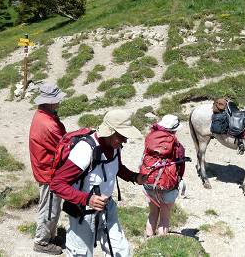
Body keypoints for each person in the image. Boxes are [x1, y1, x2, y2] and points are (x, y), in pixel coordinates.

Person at [49, 109, 144, 257]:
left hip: (107, 206)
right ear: (110, 132)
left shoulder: (115, 146)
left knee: (121, 252)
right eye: (121, 136)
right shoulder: (85, 150)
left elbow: (116, 167)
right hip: (83, 211)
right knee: (81, 254)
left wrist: (135, 177)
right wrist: (87, 199)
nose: (125, 141)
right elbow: (57, 184)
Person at [28, 82, 68, 255]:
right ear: (51, 102)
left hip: (46, 168)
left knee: (53, 205)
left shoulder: (42, 115)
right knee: (49, 206)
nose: (59, 102)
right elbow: (64, 145)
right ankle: (42, 242)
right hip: (48, 172)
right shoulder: (48, 124)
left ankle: (50, 236)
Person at [141, 114, 185, 238]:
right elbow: (181, 166)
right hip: (167, 183)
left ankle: (148, 239)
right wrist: (179, 179)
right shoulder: (176, 144)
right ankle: (161, 241)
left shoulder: (150, 137)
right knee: (165, 216)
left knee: (152, 213)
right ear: (174, 129)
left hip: (148, 180)